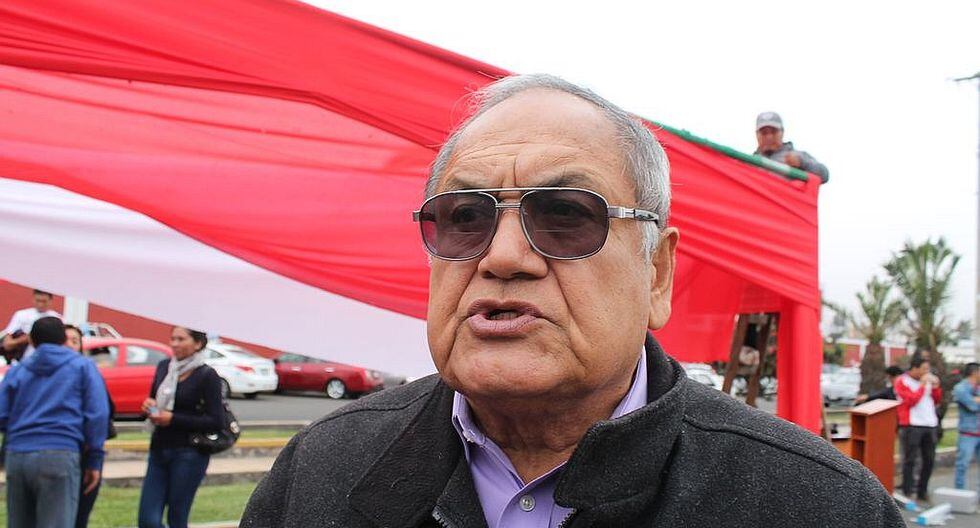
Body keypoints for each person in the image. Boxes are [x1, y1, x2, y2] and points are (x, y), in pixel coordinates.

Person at [242, 74, 901, 527]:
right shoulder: (319, 471)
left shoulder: (820, 504)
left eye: (565, 215)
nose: (503, 256)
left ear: (657, 273)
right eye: (465, 217)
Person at [0, 316, 108, 528]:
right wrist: (95, 458)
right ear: (63, 340)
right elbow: (97, 414)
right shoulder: (82, 367)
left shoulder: (18, 371)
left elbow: (2, 414)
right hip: (60, 451)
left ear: (32, 341)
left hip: (18, 454)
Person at [137, 326, 223, 528]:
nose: (174, 343)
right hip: (159, 448)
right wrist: (149, 407)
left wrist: (173, 419)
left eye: (181, 339)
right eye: (172, 338)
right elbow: (154, 399)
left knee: (177, 518)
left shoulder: (207, 375)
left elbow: (216, 421)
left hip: (189, 453)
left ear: (198, 343)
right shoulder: (164, 367)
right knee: (148, 519)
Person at [64, 324, 118, 528]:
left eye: (75, 341)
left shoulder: (88, 371)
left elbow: (102, 413)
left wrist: (94, 456)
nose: (70, 345)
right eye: (65, 340)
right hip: (61, 452)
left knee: (80, 515)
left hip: (86, 452)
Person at [894, 354, 942, 502]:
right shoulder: (902, 381)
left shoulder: (928, 381)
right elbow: (910, 400)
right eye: (924, 369)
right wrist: (921, 386)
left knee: (929, 459)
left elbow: (936, 400)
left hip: (930, 424)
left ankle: (923, 491)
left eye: (928, 369)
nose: (927, 372)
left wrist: (936, 387)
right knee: (910, 459)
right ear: (914, 368)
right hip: (912, 424)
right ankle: (908, 490)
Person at [754, 112, 829, 183]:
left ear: (782, 132)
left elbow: (824, 175)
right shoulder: (750, 162)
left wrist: (802, 163)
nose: (769, 137)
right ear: (757, 135)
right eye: (764, 133)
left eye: (774, 132)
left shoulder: (798, 156)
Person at [2, 288, 61, 362]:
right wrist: (26, 339)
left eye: (44, 301)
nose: (40, 304)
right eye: (38, 300)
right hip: (23, 360)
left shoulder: (57, 318)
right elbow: (7, 344)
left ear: (50, 301)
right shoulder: (21, 315)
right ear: (33, 299)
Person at [952, 362, 980, 492]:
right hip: (967, 433)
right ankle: (960, 493)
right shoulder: (960, 388)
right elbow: (972, 406)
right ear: (974, 372)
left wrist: (975, 400)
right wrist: (975, 401)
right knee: (962, 465)